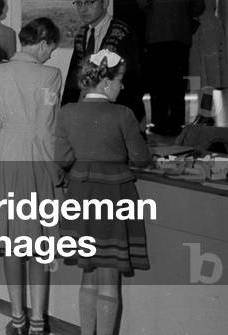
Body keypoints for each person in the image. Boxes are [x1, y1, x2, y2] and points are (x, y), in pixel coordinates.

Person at [0, 17, 63, 335]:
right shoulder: (51, 75)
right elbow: (46, 129)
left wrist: (0, 152)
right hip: (37, 162)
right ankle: (38, 322)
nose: (51, 55)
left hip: (5, 159)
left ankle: (17, 319)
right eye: (51, 48)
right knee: (39, 244)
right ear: (42, 43)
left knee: (12, 244)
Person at [56, 49, 152, 335]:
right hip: (113, 196)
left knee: (89, 271)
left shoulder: (67, 112)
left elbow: (61, 157)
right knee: (109, 275)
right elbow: (140, 158)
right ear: (107, 82)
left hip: (81, 194)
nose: (122, 86)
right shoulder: (123, 114)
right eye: (120, 80)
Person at [136, 0, 205, 136]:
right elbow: (199, 6)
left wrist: (155, 13)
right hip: (181, 36)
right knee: (177, 83)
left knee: (158, 82)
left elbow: (141, 1)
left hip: (156, 35)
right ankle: (176, 124)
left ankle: (159, 123)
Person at [63, 0, 145, 123]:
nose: (83, 9)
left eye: (89, 2)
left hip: (116, 111)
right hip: (87, 109)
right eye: (79, 3)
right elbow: (74, 75)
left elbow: (132, 78)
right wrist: (65, 108)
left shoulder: (122, 32)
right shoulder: (82, 34)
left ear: (105, 3)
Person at [179, 0, 226, 92]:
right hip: (210, 30)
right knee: (208, 79)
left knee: (198, 77)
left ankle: (200, 111)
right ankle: (204, 111)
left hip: (199, 31)